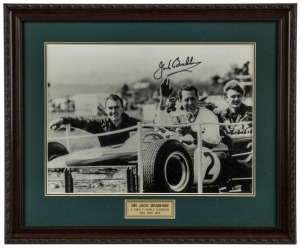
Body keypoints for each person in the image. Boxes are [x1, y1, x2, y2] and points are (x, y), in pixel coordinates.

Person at [49, 94, 139, 147]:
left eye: (116, 107)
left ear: (122, 108)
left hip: (131, 163)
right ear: (106, 110)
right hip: (108, 165)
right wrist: (62, 120)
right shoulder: (101, 125)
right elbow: (81, 121)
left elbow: (150, 131)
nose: (113, 111)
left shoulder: (134, 123)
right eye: (110, 108)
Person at [155, 78, 221, 148]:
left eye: (193, 99)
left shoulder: (208, 115)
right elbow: (159, 127)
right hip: (178, 153)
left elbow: (215, 140)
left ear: (197, 98)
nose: (190, 103)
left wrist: (192, 133)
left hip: (200, 155)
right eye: (186, 100)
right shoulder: (175, 114)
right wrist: (163, 99)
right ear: (180, 101)